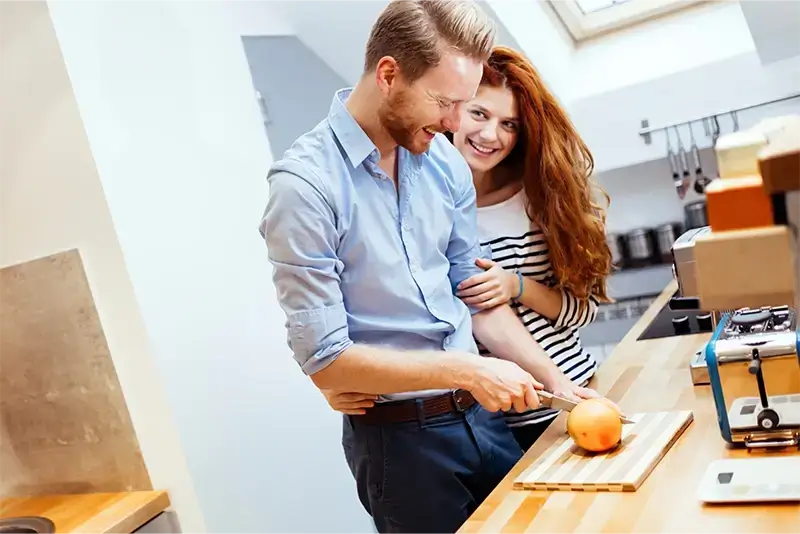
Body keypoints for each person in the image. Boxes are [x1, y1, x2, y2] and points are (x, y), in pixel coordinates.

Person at [259, 1, 600, 533]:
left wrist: (558, 384)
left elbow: (478, 302)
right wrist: (466, 369)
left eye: (463, 104)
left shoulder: (444, 164)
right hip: (400, 444)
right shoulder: (304, 188)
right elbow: (326, 360)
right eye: (443, 102)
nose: (454, 124)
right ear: (389, 74)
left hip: (483, 421)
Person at [450, 46, 614, 450]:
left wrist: (517, 285)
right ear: (452, 112)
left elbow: (583, 311)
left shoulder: (538, 200)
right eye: (479, 114)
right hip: (505, 423)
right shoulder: (433, 209)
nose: (491, 135)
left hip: (581, 390)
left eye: (509, 124)